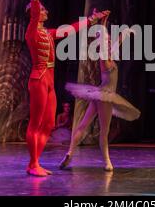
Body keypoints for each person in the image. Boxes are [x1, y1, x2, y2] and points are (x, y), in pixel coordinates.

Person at [25, 0, 109, 177]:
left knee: (50, 123)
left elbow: (70, 30)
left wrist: (91, 20)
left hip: (49, 81)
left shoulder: (48, 33)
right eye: (42, 9)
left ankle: (36, 161)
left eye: (43, 8)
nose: (45, 11)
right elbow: (35, 12)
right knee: (35, 123)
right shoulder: (32, 31)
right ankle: (33, 163)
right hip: (38, 80)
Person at [59, 13, 141, 172]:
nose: (110, 42)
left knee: (83, 125)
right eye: (107, 41)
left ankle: (70, 152)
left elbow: (117, 42)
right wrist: (104, 32)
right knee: (104, 131)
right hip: (105, 96)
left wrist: (107, 24)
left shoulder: (109, 55)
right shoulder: (105, 59)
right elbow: (108, 43)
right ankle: (108, 162)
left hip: (99, 95)